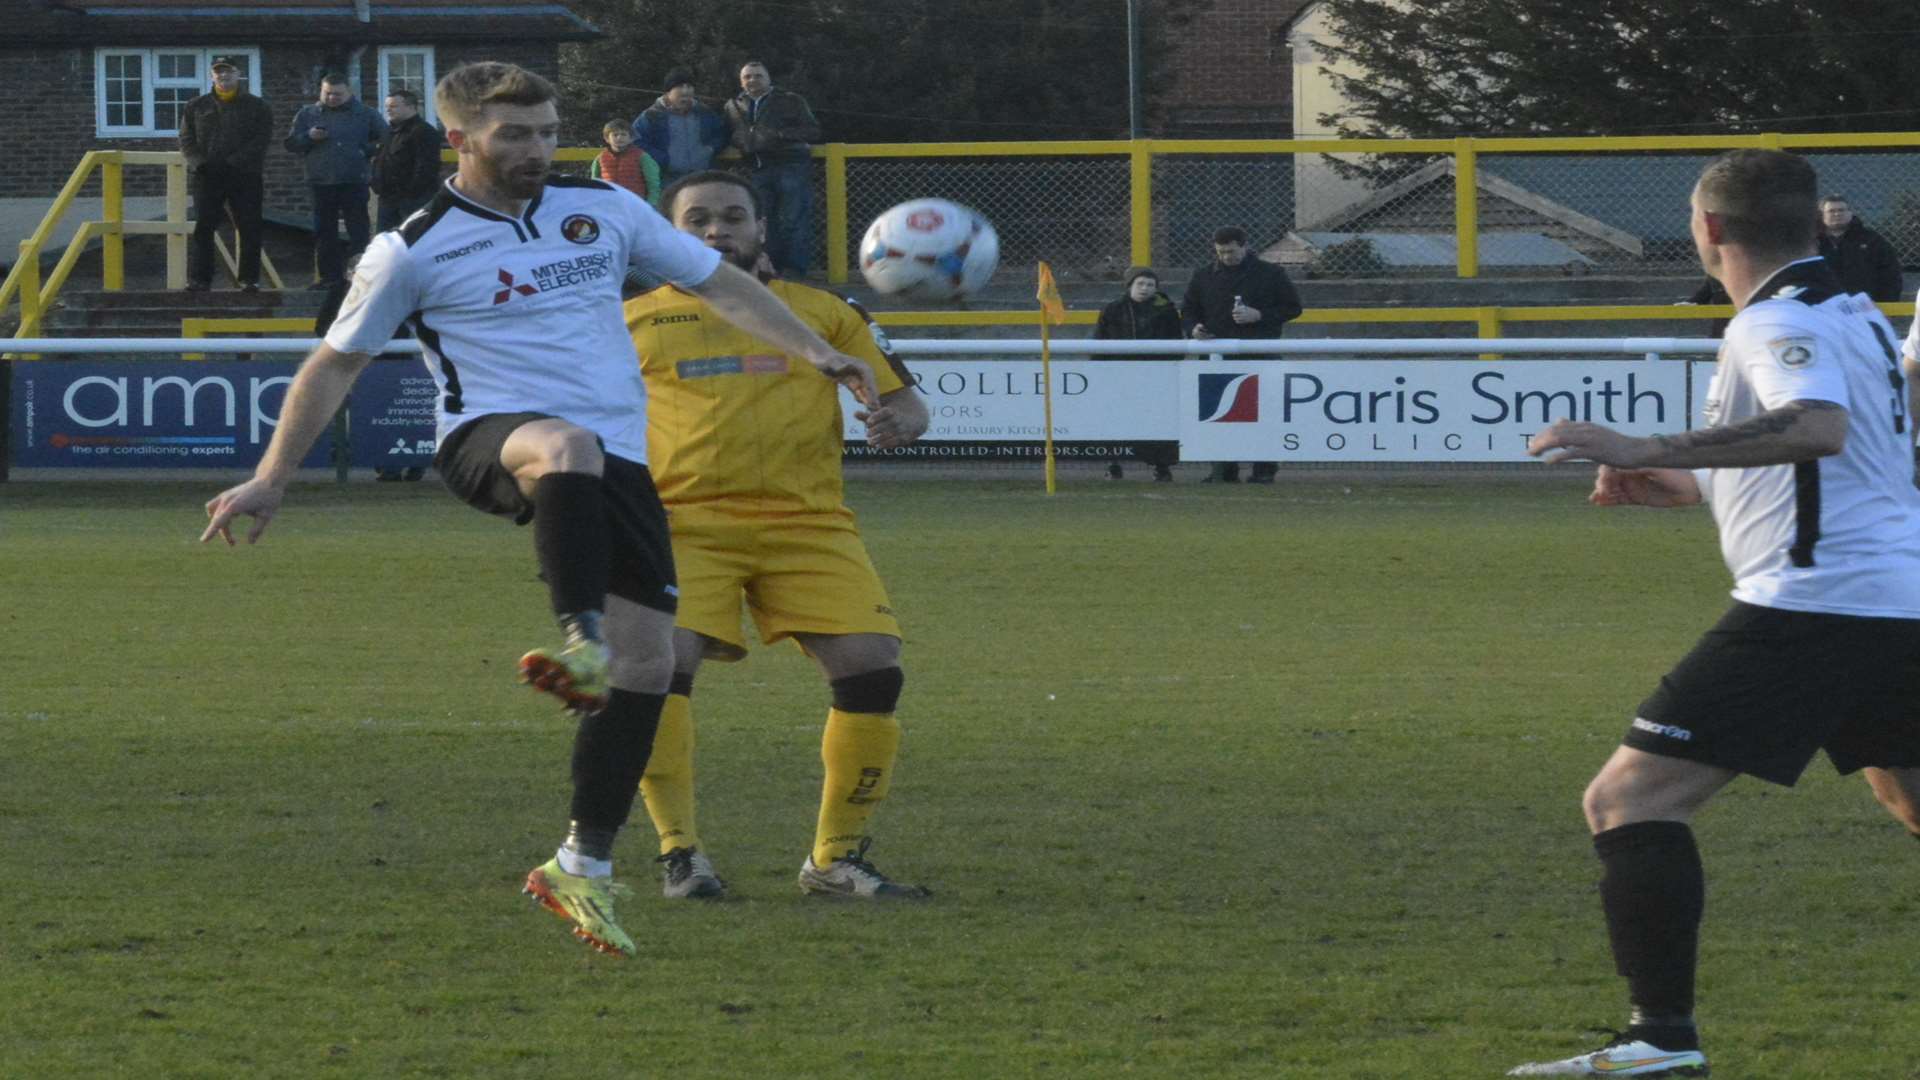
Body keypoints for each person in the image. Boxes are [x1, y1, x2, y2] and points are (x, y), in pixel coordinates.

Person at [201, 62, 880, 958]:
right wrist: (274, 475)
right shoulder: (412, 244)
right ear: (461, 140)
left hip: (619, 465)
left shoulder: (600, 210)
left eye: (545, 129)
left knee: (648, 666)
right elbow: (335, 363)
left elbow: (719, 282)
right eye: (512, 134)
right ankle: (579, 642)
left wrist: (814, 353)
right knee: (566, 450)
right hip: (491, 439)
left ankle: (580, 866)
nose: (536, 148)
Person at [1512, 148, 1920, 1077]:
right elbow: (1852, 460)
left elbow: (1818, 428)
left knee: (1628, 799)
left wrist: (1639, 440)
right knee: (1910, 797)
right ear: (1817, 223)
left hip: (1815, 608)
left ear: (1707, 231)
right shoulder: (1851, 313)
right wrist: (1688, 479)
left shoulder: (1773, 321)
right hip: (1896, 598)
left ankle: (1661, 1041)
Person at [620, 169, 931, 901]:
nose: (716, 231)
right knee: (662, 667)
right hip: (683, 521)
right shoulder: (630, 319)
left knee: (872, 666)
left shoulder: (827, 313)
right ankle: (681, 855)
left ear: (761, 229)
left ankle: (836, 860)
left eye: (732, 217)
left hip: (807, 520)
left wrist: (897, 423)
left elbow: (909, 404)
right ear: (670, 234)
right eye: (697, 219)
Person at [1181, 226, 1303, 483]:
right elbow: (1189, 309)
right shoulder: (1203, 276)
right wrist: (1194, 328)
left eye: (1232, 251)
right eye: (1221, 252)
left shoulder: (1271, 274)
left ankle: (1264, 470)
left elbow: (1293, 308)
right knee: (1218, 415)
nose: (1227, 257)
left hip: (1261, 352)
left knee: (1265, 412)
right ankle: (1223, 470)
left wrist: (1259, 315)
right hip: (1217, 355)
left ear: (1245, 246)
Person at [178, 56, 273, 292]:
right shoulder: (196, 106)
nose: (223, 75)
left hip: (245, 175)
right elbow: (186, 139)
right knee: (204, 227)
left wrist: (233, 163)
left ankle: (249, 280)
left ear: (238, 73)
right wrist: (199, 163)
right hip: (207, 175)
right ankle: (200, 280)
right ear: (212, 75)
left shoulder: (258, 106)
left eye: (228, 71)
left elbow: (261, 140)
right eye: (218, 71)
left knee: (249, 226)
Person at [284, 73, 387, 287]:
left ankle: (359, 278)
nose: (332, 98)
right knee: (324, 232)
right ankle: (328, 277)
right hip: (320, 181)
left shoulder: (366, 114)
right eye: (327, 93)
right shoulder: (308, 114)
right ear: (321, 91)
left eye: (337, 94)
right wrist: (309, 137)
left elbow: (386, 139)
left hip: (354, 180)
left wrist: (364, 150)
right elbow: (291, 144)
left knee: (358, 230)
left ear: (349, 92)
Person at [723, 60, 820, 278]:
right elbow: (728, 132)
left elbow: (812, 130)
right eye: (747, 76)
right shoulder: (733, 105)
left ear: (768, 79)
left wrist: (779, 135)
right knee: (765, 222)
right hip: (757, 169)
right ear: (741, 81)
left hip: (790, 165)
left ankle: (795, 271)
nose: (753, 80)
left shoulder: (790, 100)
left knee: (793, 219)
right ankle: (771, 268)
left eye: (758, 75)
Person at [1092, 265, 1182, 481]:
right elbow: (1099, 343)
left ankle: (1162, 467)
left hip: (1156, 377)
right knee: (1115, 421)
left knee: (1158, 421)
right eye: (1140, 284)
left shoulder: (1166, 310)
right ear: (1129, 285)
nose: (1145, 288)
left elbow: (1176, 343)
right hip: (1119, 376)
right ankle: (1113, 464)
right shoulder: (1113, 309)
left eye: (1150, 285)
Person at [632, 72, 731, 189]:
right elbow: (636, 140)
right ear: (668, 91)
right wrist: (663, 159)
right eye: (679, 86)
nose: (685, 91)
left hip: (701, 177)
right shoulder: (652, 115)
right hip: (667, 179)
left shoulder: (704, 112)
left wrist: (710, 149)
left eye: (689, 86)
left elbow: (721, 133)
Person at [371, 89, 444, 232]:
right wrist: (376, 182)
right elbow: (382, 159)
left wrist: (411, 192)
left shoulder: (424, 132)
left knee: (412, 240)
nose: (388, 110)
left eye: (393, 106)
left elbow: (426, 168)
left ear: (411, 107)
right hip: (387, 198)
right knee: (385, 242)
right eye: (387, 107)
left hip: (412, 200)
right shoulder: (389, 132)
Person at [1817, 193, 1904, 302]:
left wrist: (1888, 305)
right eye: (1832, 211)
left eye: (1841, 210)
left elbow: (1891, 276)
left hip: (1864, 307)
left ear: (1850, 213)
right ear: (1821, 215)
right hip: (1821, 308)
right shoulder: (1811, 242)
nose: (1837, 214)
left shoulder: (1872, 240)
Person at [589, 119, 660, 207]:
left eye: (623, 134)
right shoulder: (600, 158)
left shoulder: (642, 157)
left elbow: (653, 183)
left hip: (635, 204)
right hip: (609, 204)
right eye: (615, 135)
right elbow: (595, 183)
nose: (619, 138)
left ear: (631, 138)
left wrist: (650, 204)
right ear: (607, 138)